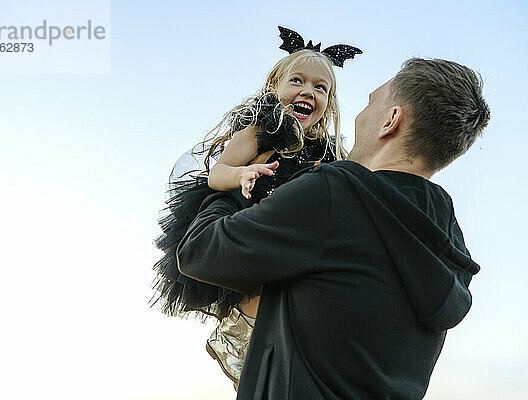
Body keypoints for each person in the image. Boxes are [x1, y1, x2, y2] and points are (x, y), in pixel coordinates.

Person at [177, 57, 490, 399]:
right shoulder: (446, 235)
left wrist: (238, 180)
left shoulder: (334, 194)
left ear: (391, 121)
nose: (359, 115)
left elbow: (199, 252)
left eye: (371, 103)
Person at [150, 27, 361, 388]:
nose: (307, 91)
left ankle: (271, 365)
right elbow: (217, 173)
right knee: (256, 305)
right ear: (274, 88)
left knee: (285, 309)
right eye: (297, 81)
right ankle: (249, 356)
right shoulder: (260, 131)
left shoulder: (329, 151)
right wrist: (243, 174)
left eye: (320, 87)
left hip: (289, 239)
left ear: (330, 102)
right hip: (248, 226)